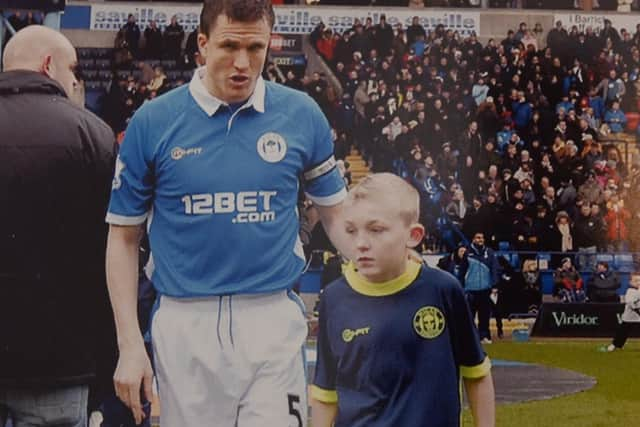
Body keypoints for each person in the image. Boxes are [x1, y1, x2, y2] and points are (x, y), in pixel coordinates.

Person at [105, 1, 346, 425]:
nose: (242, 63)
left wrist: (390, 262)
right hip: (186, 321)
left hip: (272, 316)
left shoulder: (301, 113)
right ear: (202, 44)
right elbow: (123, 239)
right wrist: (129, 343)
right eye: (229, 45)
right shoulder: (154, 121)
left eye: (255, 48)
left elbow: (337, 216)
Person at [311, 173, 495, 427]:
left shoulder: (442, 290)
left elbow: (477, 374)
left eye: (376, 230)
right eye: (351, 230)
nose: (361, 243)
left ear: (414, 235)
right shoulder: (334, 298)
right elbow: (325, 393)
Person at [0, 26, 117, 426]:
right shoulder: (93, 134)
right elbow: (113, 249)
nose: (76, 81)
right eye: (74, 71)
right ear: (49, 65)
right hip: (59, 361)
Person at [465, 232, 499, 344]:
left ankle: (484, 336)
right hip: (470, 289)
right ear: (473, 239)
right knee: (469, 316)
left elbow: (495, 269)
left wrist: (494, 285)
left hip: (485, 289)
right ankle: (470, 338)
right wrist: (462, 286)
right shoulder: (467, 253)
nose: (481, 240)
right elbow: (461, 271)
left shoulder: (489, 252)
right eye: (478, 238)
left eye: (482, 238)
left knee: (484, 316)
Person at [607, 273, 640, 351]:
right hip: (629, 317)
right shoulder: (630, 291)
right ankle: (615, 345)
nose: (638, 282)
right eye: (636, 281)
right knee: (622, 332)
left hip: (638, 317)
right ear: (630, 282)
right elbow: (631, 303)